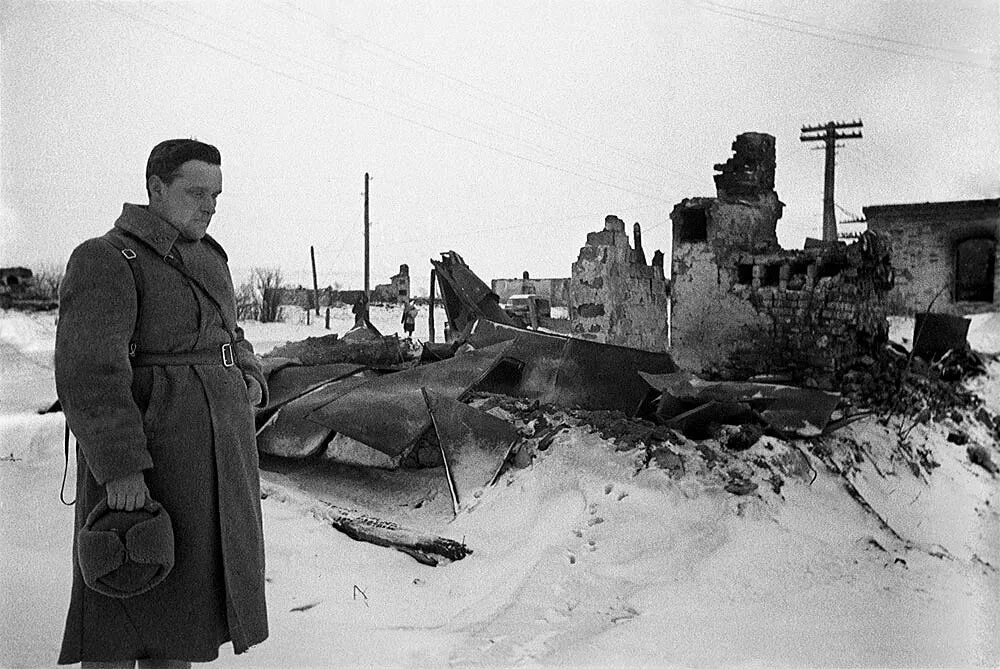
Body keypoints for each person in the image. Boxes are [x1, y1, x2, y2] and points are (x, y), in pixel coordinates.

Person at [55, 139, 269, 667]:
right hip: (152, 461)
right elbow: (90, 376)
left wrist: (248, 372)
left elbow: (230, 332)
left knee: (184, 619)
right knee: (124, 597)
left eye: (216, 195)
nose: (210, 206)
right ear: (155, 188)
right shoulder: (106, 258)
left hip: (212, 468)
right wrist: (122, 470)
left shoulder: (210, 257)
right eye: (197, 192)